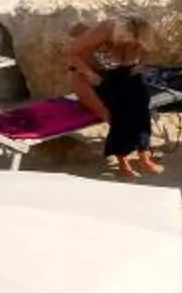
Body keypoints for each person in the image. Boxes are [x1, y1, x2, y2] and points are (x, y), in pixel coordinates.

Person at [64, 17, 162, 177]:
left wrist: (141, 65)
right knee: (117, 112)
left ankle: (144, 154)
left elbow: (148, 50)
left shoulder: (142, 32)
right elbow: (69, 52)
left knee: (141, 107)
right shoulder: (104, 31)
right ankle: (122, 159)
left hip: (119, 73)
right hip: (89, 75)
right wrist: (89, 74)